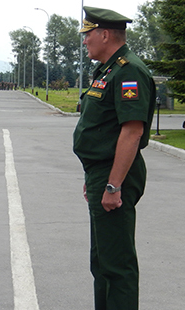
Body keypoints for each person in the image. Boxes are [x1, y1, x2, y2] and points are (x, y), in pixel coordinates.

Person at [73, 7, 155, 310]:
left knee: (117, 265)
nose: (85, 41)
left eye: (88, 34)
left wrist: (112, 185)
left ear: (105, 34)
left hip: (114, 175)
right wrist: (95, 179)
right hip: (102, 173)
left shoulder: (128, 71)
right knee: (102, 262)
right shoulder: (109, 69)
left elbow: (132, 132)